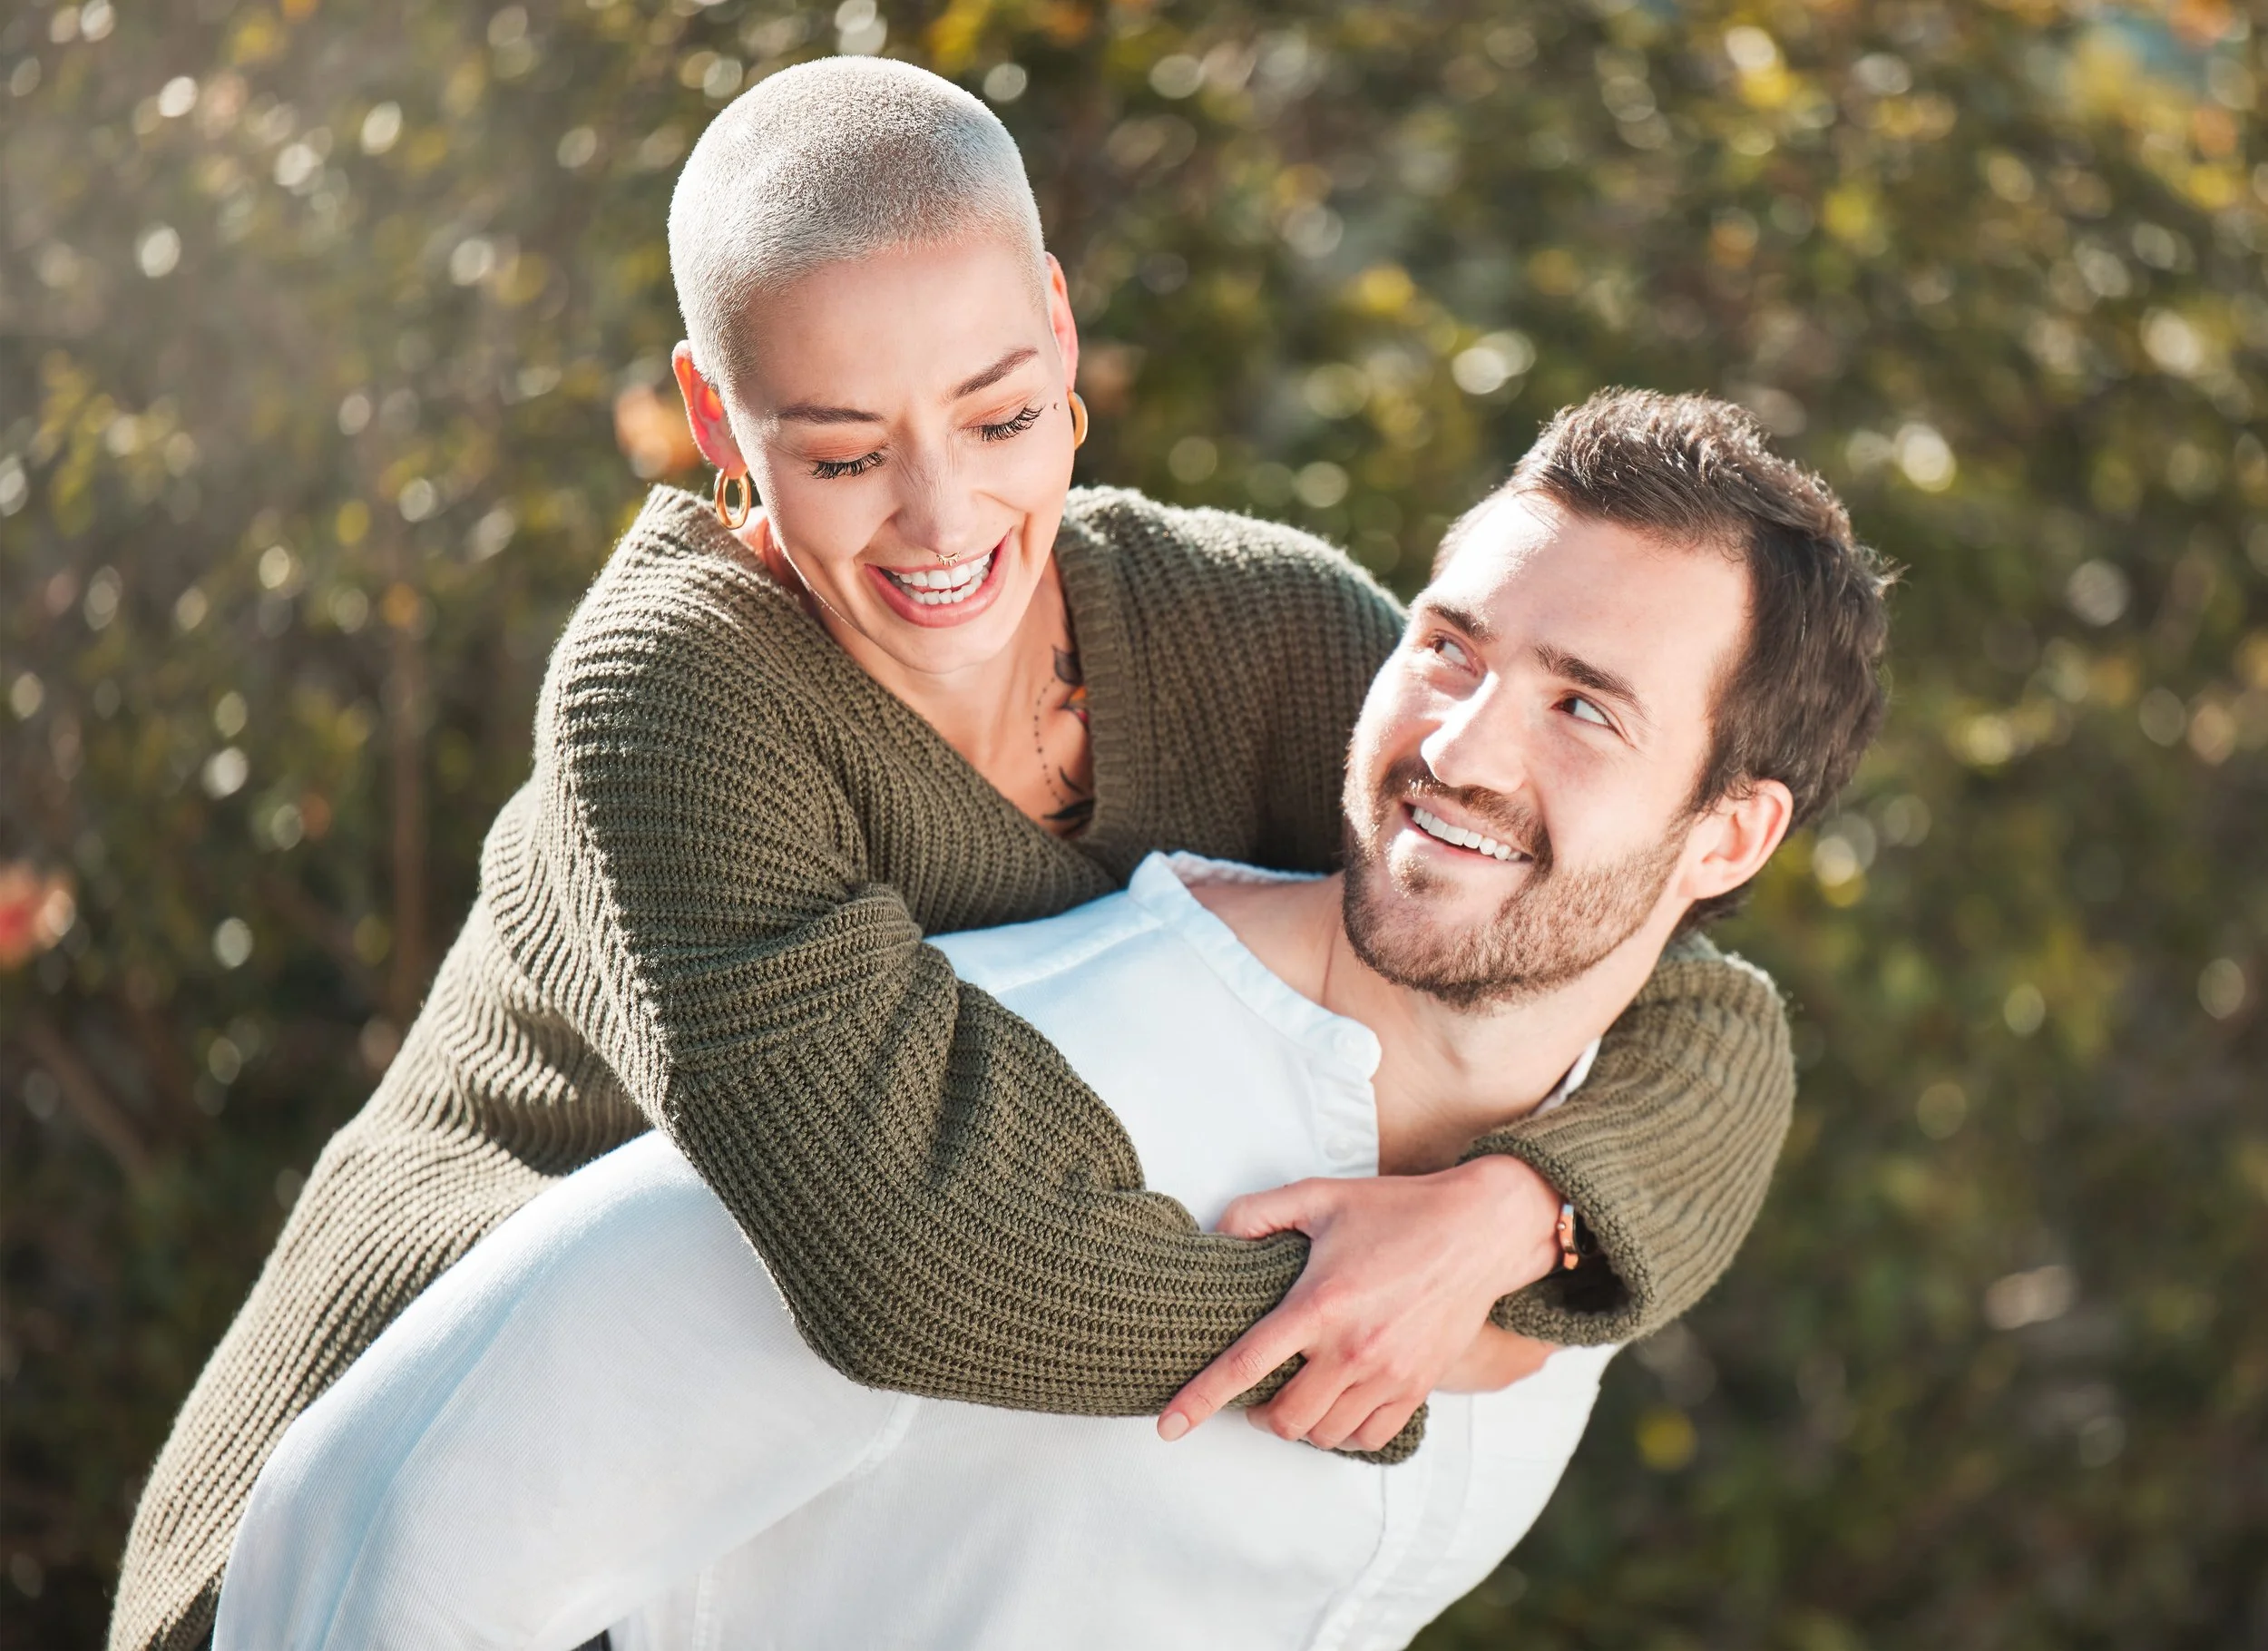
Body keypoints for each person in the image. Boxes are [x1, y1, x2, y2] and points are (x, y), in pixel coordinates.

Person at [113, 61, 1800, 1651]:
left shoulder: (1261, 628)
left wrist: (1509, 1218)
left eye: (1000, 419)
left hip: (768, 1533)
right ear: (715, 412)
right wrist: (1389, 1338)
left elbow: (1683, 995)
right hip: (404, 1540)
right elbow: (907, 1255)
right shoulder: (679, 691)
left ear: (1059, 331)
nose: (940, 524)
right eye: (845, 455)